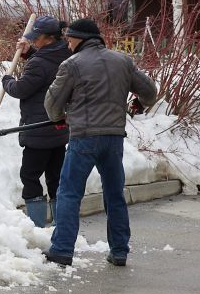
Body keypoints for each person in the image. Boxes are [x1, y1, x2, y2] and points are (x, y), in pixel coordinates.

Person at [43, 17, 157, 267]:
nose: (68, 43)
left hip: (84, 138)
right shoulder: (123, 61)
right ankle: (119, 251)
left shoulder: (72, 64)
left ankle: (62, 250)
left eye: (70, 38)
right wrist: (139, 104)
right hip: (114, 139)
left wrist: (59, 118)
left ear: (81, 39)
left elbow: (52, 104)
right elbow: (150, 91)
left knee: (69, 193)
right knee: (114, 194)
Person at [0, 15, 71, 227]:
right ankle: (62, 226)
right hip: (59, 129)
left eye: (36, 39)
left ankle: (37, 226)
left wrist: (8, 80)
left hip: (38, 132)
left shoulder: (39, 63)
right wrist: (28, 53)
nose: (33, 41)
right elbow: (46, 66)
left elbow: (21, 89)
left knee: (30, 177)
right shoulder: (67, 54)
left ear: (49, 38)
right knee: (55, 178)